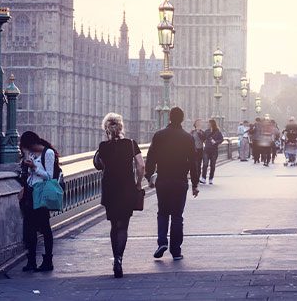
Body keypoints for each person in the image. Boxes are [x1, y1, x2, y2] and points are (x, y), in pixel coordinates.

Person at [93, 113, 145, 278]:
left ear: (106, 129)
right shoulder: (131, 144)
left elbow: (99, 165)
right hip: (126, 188)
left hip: (109, 189)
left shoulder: (103, 146)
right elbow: (141, 165)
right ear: (122, 127)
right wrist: (138, 183)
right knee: (123, 226)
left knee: (114, 225)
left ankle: (115, 257)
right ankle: (119, 260)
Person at [145, 106, 200, 261]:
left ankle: (162, 242)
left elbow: (151, 157)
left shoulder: (159, 135)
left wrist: (149, 176)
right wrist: (195, 184)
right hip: (180, 181)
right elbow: (193, 163)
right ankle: (175, 250)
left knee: (162, 213)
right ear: (182, 119)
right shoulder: (187, 137)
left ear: (169, 117)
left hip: (163, 180)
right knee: (177, 216)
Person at [18, 131, 58, 273]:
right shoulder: (33, 154)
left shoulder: (48, 153)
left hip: (41, 194)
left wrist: (34, 167)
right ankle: (32, 261)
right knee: (30, 229)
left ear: (32, 144)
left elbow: (49, 176)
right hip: (30, 192)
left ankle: (48, 261)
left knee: (45, 228)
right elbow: (31, 175)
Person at [201, 119, 224, 184]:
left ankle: (211, 178)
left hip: (214, 150)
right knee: (205, 164)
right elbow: (203, 138)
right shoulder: (206, 131)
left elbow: (221, 139)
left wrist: (216, 142)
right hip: (206, 150)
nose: (208, 124)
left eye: (209, 123)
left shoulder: (217, 132)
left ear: (212, 124)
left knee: (212, 165)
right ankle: (203, 178)